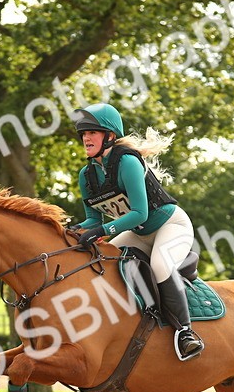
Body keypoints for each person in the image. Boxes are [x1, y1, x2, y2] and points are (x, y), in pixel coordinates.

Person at [68, 102, 204, 361]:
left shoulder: (127, 161)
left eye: (92, 132)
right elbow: (91, 219)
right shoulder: (86, 175)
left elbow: (140, 213)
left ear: (109, 136)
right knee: (102, 262)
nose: (86, 138)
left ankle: (186, 333)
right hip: (139, 234)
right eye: (83, 133)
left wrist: (101, 230)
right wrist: (71, 231)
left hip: (170, 225)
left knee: (160, 265)